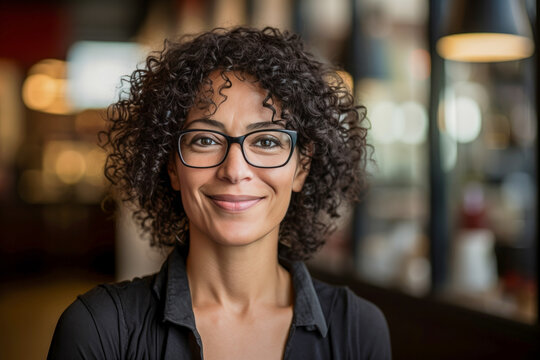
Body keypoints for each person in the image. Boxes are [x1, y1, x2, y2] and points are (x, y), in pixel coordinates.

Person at [48, 26, 391, 360]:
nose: (234, 170)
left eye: (267, 141)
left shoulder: (357, 329)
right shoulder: (99, 330)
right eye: (206, 140)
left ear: (301, 168)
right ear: (171, 166)